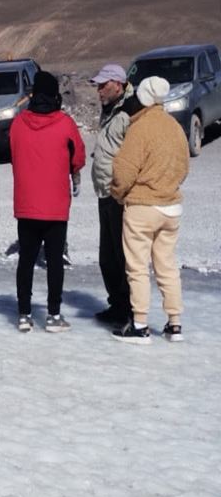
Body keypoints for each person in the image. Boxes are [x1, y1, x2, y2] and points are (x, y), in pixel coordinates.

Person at [109, 76, 190, 345]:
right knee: (167, 266)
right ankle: (174, 323)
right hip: (171, 207)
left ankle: (140, 325)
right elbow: (184, 168)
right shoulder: (175, 127)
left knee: (138, 267)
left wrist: (118, 194)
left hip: (142, 207)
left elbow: (124, 170)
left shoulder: (140, 128)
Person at [9, 71, 85, 333]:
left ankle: (23, 314)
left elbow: (13, 153)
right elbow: (78, 156)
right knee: (54, 261)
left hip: (27, 204)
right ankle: (53, 315)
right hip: (55, 206)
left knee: (26, 261)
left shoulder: (18, 123)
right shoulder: (65, 124)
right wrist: (72, 172)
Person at [89, 63, 141, 325]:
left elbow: (133, 152)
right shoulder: (111, 109)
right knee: (107, 256)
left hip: (121, 193)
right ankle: (117, 304)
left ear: (118, 85)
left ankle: (132, 310)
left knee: (123, 255)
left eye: (103, 85)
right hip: (104, 190)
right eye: (98, 86)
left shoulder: (131, 110)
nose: (99, 91)